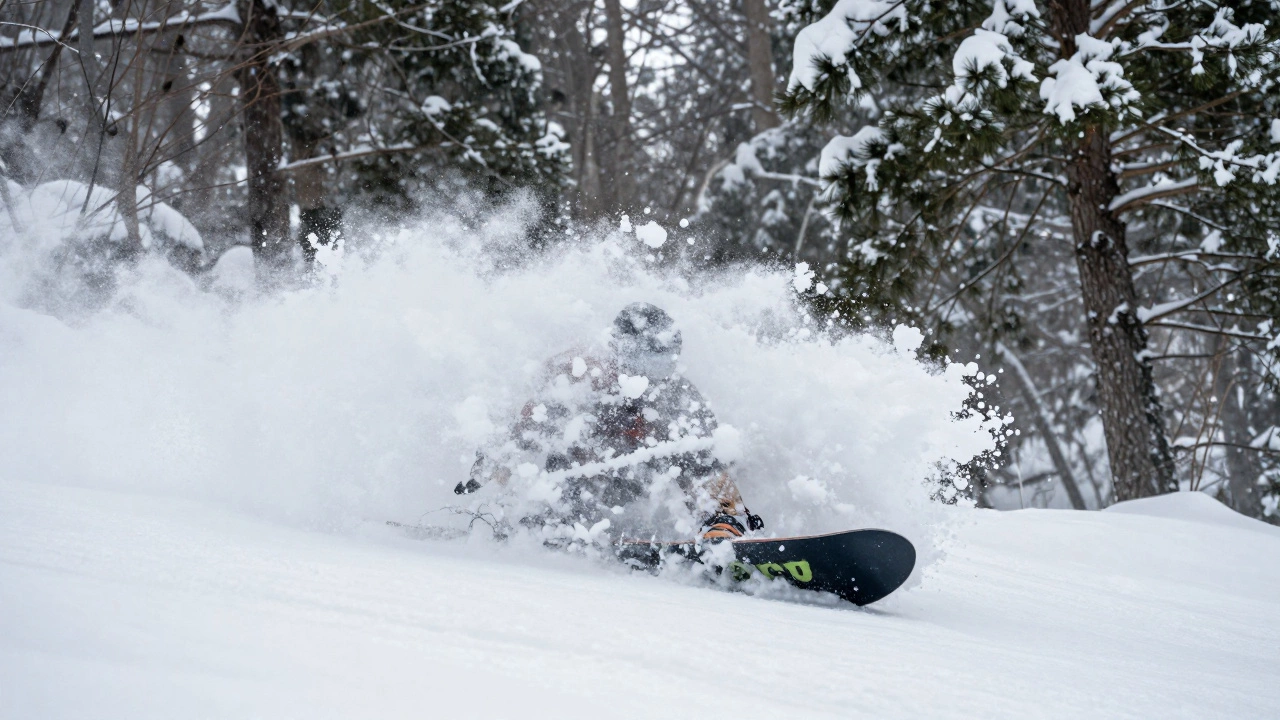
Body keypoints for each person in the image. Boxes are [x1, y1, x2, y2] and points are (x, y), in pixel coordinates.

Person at [456, 302, 762, 542]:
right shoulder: (580, 375)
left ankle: (721, 523)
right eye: (649, 361)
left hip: (636, 487)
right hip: (578, 486)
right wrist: (492, 463)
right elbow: (529, 424)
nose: (657, 374)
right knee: (568, 439)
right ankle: (547, 523)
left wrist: (730, 496)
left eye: (667, 361)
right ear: (621, 350)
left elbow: (709, 454)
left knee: (690, 446)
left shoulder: (677, 394)